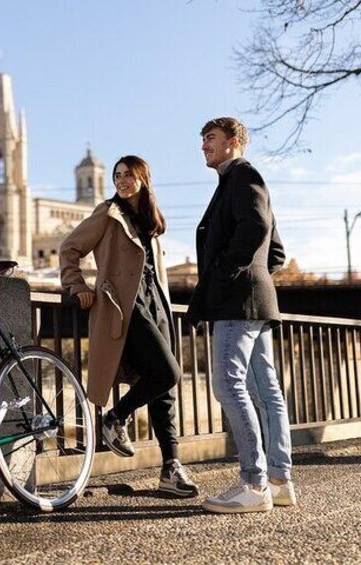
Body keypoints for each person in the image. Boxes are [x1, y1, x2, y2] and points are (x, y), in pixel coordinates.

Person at [60, 155, 198, 498]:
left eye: (128, 175)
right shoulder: (107, 214)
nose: (121, 181)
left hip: (157, 305)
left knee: (163, 390)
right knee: (169, 372)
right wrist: (77, 287)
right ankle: (115, 417)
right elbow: (69, 248)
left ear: (143, 178)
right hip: (126, 306)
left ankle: (171, 467)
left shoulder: (151, 220)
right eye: (117, 175)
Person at [186, 117, 295, 513]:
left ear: (235, 141)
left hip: (237, 303)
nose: (203, 146)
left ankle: (253, 483)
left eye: (210, 138)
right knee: (266, 392)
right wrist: (253, 277)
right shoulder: (238, 181)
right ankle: (279, 479)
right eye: (202, 139)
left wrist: (226, 273)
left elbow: (256, 226)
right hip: (255, 301)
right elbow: (276, 252)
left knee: (227, 386)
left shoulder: (242, 176)